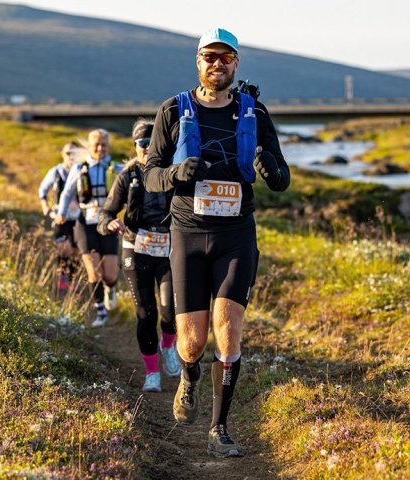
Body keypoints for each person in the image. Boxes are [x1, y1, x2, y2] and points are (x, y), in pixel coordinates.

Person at [143, 28, 290, 457]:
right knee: (192, 341)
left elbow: (282, 179)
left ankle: (219, 428)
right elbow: (151, 173)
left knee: (229, 331)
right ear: (198, 61)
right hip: (188, 233)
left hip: (236, 235)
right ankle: (187, 375)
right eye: (210, 56)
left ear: (236, 63)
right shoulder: (172, 110)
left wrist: (270, 169)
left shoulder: (255, 112)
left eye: (226, 58)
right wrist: (175, 174)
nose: (217, 64)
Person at [98, 119, 181, 392]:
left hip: (168, 249)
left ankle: (167, 345)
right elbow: (106, 213)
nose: (146, 148)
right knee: (146, 313)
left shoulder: (172, 173)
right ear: (135, 146)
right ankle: (151, 373)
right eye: (141, 144)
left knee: (171, 311)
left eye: (151, 142)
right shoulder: (127, 176)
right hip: (136, 248)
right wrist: (109, 223)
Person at [55, 129, 119, 327]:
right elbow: (66, 194)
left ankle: (110, 288)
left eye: (104, 145)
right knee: (93, 271)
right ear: (89, 147)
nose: (100, 148)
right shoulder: (79, 169)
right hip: (84, 223)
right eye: (96, 145)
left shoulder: (115, 168)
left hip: (107, 222)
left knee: (109, 274)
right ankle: (100, 312)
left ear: (108, 147)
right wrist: (61, 212)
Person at [38, 141, 81, 294]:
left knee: (76, 251)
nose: (71, 156)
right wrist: (45, 205)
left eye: (74, 153)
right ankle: (63, 276)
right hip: (60, 217)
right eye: (68, 153)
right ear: (63, 154)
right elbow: (42, 189)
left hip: (78, 216)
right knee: (64, 249)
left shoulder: (82, 171)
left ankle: (72, 279)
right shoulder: (56, 172)